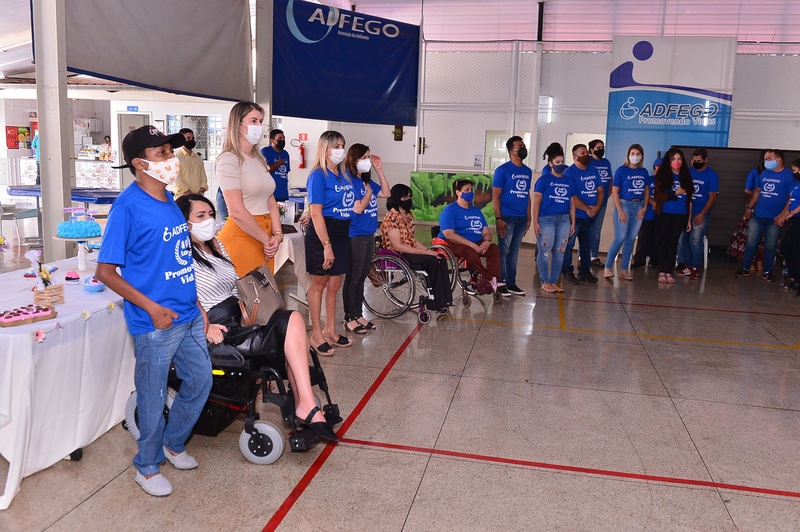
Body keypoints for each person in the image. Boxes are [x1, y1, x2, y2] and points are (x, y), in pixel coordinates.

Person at [96, 126, 212, 498]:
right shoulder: (127, 207)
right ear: (140, 163)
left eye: (170, 151)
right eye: (161, 153)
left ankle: (173, 443)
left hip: (187, 314)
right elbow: (105, 272)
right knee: (152, 395)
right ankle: (146, 466)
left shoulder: (170, 201)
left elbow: (179, 258)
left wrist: (196, 303)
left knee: (200, 381)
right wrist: (152, 308)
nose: (171, 159)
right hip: (154, 322)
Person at [176, 194, 339, 442]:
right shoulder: (180, 255)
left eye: (210, 214)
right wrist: (204, 326)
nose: (208, 220)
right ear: (184, 222)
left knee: (292, 320)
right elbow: (181, 296)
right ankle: (305, 405)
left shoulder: (216, 245)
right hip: (218, 325)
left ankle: (304, 403)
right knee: (289, 328)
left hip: (238, 317)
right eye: (200, 216)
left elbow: (234, 286)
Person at [216, 102, 283, 276]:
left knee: (265, 292)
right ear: (238, 125)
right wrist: (267, 239)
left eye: (260, 121)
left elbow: (271, 202)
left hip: (265, 238)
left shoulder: (259, 159)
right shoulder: (229, 159)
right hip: (242, 236)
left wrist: (277, 235)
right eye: (253, 121)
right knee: (248, 292)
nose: (259, 126)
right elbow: (236, 211)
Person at [305, 130, 354, 356]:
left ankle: (330, 330)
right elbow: (316, 213)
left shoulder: (343, 175)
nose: (340, 150)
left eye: (342, 145)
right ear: (325, 149)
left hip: (342, 232)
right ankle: (316, 335)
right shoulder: (318, 175)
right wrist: (327, 245)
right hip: (324, 233)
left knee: (335, 285)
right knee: (320, 283)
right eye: (336, 146)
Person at [342, 144, 390, 334]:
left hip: (369, 234)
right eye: (364, 157)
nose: (367, 161)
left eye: (368, 157)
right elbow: (358, 208)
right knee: (353, 277)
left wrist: (379, 170)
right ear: (354, 160)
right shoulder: (349, 180)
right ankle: (349, 317)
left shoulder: (366, 180)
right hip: (355, 235)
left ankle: (358, 314)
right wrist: (369, 192)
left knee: (362, 277)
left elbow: (386, 193)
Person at [383, 184, 453, 311]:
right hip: (399, 254)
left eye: (409, 197)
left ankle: (445, 299)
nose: (408, 200)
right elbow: (398, 246)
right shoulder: (391, 218)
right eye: (405, 197)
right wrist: (425, 253)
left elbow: (412, 239)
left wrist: (427, 250)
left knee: (440, 257)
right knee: (432, 260)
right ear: (397, 198)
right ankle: (436, 302)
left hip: (410, 250)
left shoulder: (408, 215)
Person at [735, 149, 796, 281]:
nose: (765, 161)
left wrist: (782, 215)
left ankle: (768, 271)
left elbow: (791, 197)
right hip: (758, 215)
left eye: (768, 159)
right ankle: (745, 268)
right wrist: (750, 207)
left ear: (778, 160)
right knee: (751, 242)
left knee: (770, 245)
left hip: (775, 218)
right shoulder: (764, 173)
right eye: (765, 159)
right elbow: (757, 191)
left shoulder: (789, 175)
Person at [438, 179, 501, 293]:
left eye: (471, 190)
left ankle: (495, 279)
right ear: (458, 192)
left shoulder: (476, 211)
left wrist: (487, 242)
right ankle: (488, 278)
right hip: (455, 242)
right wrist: (472, 245)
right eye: (466, 190)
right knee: (470, 251)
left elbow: (486, 232)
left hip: (475, 241)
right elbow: (449, 234)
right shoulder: (450, 210)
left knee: (493, 249)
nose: (470, 192)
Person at [492, 136, 532, 296]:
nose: (523, 148)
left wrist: (529, 216)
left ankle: (511, 283)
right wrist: (498, 219)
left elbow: (526, 194)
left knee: (514, 250)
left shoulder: (527, 171)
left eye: (524, 145)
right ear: (511, 151)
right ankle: (500, 283)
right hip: (507, 217)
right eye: (519, 146)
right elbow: (495, 196)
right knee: (503, 250)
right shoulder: (502, 170)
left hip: (522, 217)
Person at [604, 144, 649, 281]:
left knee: (630, 240)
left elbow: (646, 191)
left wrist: (645, 207)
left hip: (638, 205)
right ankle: (607, 268)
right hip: (624, 205)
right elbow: (615, 191)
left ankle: (624, 270)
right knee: (620, 238)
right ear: (628, 155)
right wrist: (620, 210)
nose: (635, 156)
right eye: (633, 153)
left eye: (638, 154)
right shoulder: (621, 170)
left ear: (641, 156)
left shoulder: (644, 171)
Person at [532, 152, 576, 293]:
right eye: (557, 162)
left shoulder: (569, 181)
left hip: (564, 220)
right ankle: (545, 281)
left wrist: (573, 222)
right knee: (545, 251)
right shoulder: (543, 180)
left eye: (562, 162)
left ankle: (554, 281)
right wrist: (535, 222)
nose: (561, 164)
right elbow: (536, 203)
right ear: (550, 163)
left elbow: (572, 204)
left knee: (560, 251)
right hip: (546, 219)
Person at [562, 144, 602, 284]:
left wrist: (597, 207)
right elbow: (571, 196)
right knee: (569, 244)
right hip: (576, 216)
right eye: (583, 153)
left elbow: (600, 190)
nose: (586, 155)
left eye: (586, 152)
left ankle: (584, 271)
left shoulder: (593, 170)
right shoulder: (569, 172)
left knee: (586, 246)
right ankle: (567, 271)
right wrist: (587, 208)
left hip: (590, 216)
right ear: (575, 157)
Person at [676, 148, 718, 279]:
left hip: (701, 213)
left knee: (696, 240)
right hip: (686, 212)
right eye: (694, 161)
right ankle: (688, 265)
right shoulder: (689, 172)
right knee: (682, 240)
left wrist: (702, 214)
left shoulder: (711, 175)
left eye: (699, 161)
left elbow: (713, 197)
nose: (696, 163)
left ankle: (695, 267)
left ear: (705, 160)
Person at [653, 148, 693, 283]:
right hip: (664, 213)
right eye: (673, 159)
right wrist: (675, 193)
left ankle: (669, 272)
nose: (676, 161)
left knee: (673, 243)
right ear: (668, 161)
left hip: (681, 214)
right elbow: (658, 196)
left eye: (679, 159)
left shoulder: (686, 177)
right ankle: (661, 271)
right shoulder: (662, 176)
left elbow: (689, 199)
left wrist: (689, 219)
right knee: (663, 242)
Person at [729, 151, 767, 269]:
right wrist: (758, 196)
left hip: (769, 207)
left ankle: (760, 260)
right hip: (754, 205)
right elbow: (747, 190)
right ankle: (749, 261)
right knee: (750, 235)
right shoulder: (755, 172)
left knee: (765, 235)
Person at [776, 159, 800, 297]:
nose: (794, 173)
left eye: (795, 171)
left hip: (798, 218)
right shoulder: (797, 184)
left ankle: (798, 279)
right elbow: (792, 201)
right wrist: (784, 215)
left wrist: (792, 213)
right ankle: (794, 276)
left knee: (797, 249)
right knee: (786, 246)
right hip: (795, 219)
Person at [587, 139, 613, 268]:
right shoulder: (588, 162)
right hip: (590, 203)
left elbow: (610, 179)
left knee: (597, 230)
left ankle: (594, 256)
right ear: (592, 150)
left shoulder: (606, 162)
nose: (601, 149)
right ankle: (583, 256)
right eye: (598, 147)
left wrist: (607, 194)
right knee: (586, 229)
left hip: (602, 202)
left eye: (602, 147)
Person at [631, 158, 661, 268]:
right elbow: (643, 193)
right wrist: (653, 202)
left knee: (657, 240)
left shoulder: (668, 183)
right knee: (643, 239)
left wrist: (659, 204)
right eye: (656, 168)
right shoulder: (648, 179)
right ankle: (639, 261)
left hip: (660, 215)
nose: (657, 170)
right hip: (647, 214)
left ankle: (655, 261)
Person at [173, 128, 208, 198]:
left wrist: (201, 193)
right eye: (188, 138)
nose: (191, 140)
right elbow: (178, 181)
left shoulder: (198, 159)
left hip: (198, 197)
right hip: (182, 198)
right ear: (181, 140)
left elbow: (203, 179)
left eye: (193, 138)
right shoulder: (176, 159)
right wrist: (191, 195)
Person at [260, 129, 291, 202]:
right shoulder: (266, 151)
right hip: (271, 194)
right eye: (280, 138)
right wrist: (278, 163)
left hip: (283, 193)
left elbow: (286, 172)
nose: (282, 140)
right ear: (272, 140)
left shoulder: (285, 154)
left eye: (283, 138)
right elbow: (264, 170)